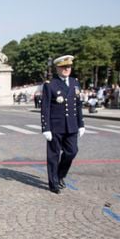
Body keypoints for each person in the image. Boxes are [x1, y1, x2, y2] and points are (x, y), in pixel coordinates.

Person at [40, 55, 85, 194]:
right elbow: (45, 107)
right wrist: (46, 128)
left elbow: (78, 105)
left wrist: (81, 123)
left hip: (71, 125)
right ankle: (53, 183)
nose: (66, 69)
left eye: (69, 67)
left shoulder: (74, 82)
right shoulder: (50, 84)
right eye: (63, 67)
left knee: (72, 151)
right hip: (56, 126)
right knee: (53, 156)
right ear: (57, 68)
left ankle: (60, 175)